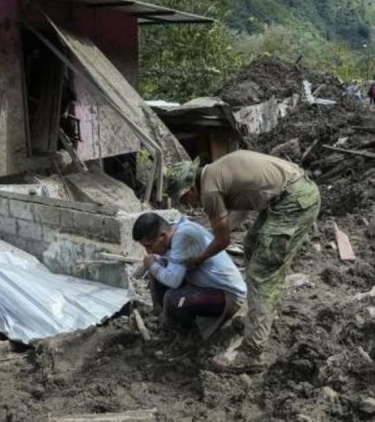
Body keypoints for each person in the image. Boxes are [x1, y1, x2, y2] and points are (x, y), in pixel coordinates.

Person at [167, 150, 320, 373]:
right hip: (289, 192)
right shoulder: (217, 171)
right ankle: (259, 314)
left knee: (262, 273)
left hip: (294, 200)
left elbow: (223, 241)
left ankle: (252, 353)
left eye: (184, 199)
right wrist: (216, 232)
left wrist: (198, 258)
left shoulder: (209, 191)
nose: (188, 205)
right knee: (252, 245)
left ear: (191, 188)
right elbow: (241, 208)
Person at [131, 211, 246, 337]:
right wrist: (152, 265)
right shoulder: (174, 231)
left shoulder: (184, 237)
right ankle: (163, 318)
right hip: (206, 288)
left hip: (228, 295)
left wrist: (151, 265)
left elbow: (173, 281)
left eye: (149, 245)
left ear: (162, 236)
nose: (148, 251)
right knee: (157, 270)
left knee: (175, 300)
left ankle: (185, 337)